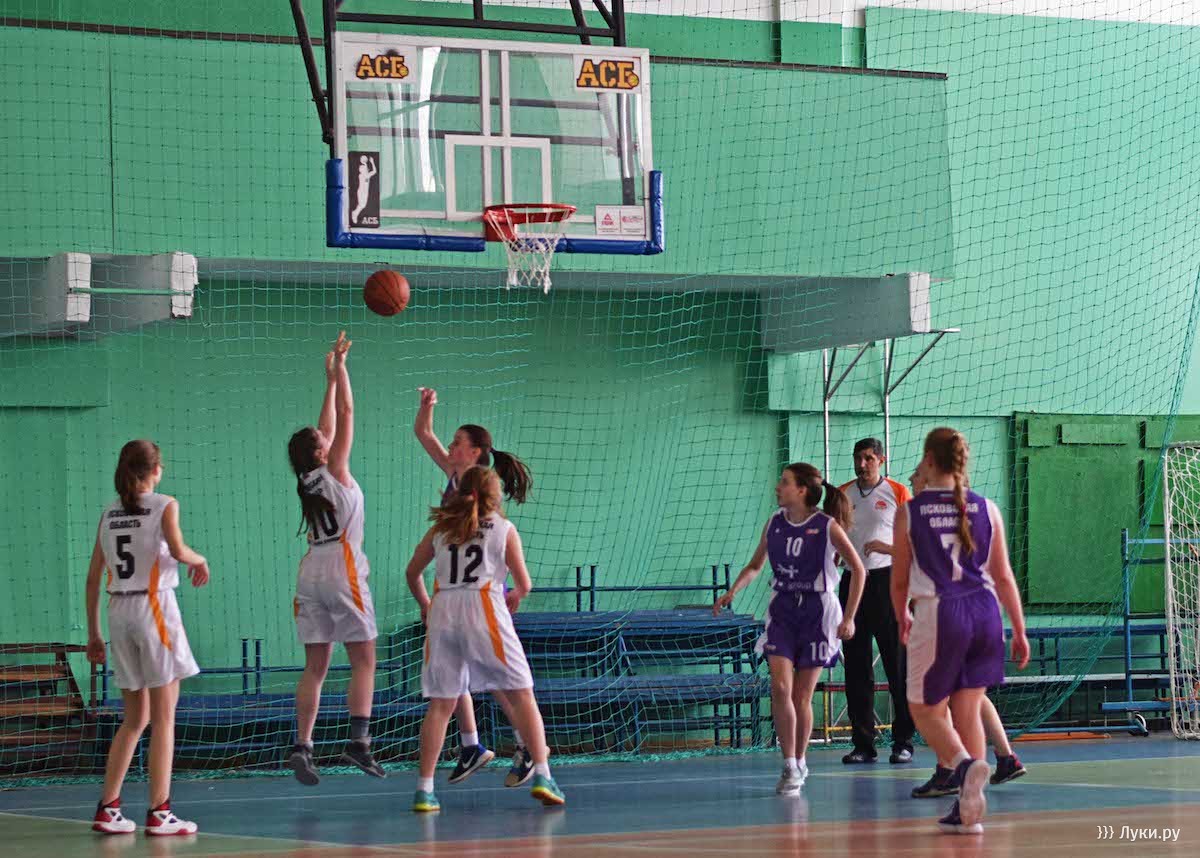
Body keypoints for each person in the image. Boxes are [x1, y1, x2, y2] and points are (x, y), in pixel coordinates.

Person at [891, 428, 1030, 834]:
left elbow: (898, 582)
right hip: (986, 613)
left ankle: (965, 765)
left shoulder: (911, 511)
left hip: (941, 612)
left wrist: (901, 615)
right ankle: (969, 807)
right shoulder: (988, 508)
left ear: (929, 460)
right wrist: (1019, 629)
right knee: (967, 710)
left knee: (924, 709)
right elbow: (1004, 576)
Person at [406, 466, 565, 812]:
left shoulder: (441, 528)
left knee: (441, 705)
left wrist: (425, 604)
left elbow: (412, 572)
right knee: (522, 694)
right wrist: (516, 595)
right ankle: (542, 773)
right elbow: (524, 584)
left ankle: (424, 790)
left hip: (443, 609)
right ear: (495, 496)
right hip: (483, 607)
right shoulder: (504, 529)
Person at [714, 464, 866, 795]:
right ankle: (789, 765)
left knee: (801, 696)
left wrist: (849, 617)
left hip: (818, 612)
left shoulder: (826, 526)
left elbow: (859, 569)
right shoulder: (775, 523)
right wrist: (733, 590)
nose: (777, 487)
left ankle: (800, 757)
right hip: (783, 609)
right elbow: (755, 565)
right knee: (780, 688)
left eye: (784, 482)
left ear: (801, 490)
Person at [86, 440, 210, 835]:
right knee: (164, 718)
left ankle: (108, 808)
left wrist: (93, 633)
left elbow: (93, 578)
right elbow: (179, 549)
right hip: (153, 608)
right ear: (156, 469)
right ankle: (160, 812)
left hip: (117, 612)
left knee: (135, 718)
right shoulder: (164, 504)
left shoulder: (109, 513)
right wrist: (200, 559)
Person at [414, 386, 535, 786]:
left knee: (496, 678)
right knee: (454, 673)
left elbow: (495, 540)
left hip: (481, 589)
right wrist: (427, 407)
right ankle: (471, 744)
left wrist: (516, 590)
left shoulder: (481, 485)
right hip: (452, 587)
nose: (450, 447)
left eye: (457, 442)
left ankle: (525, 745)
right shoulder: (456, 474)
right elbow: (424, 434)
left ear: (475, 451)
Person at [286, 333, 385, 785]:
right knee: (364, 659)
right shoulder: (337, 470)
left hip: (310, 570)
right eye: (322, 440)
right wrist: (343, 370)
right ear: (321, 452)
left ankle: (303, 745)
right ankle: (358, 743)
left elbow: (325, 424)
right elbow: (345, 414)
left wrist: (327, 381)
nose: (326, 437)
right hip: (342, 567)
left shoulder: (307, 479)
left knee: (316, 666)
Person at [836, 438, 917, 764]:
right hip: (852, 582)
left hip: (888, 582)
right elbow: (834, 534)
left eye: (869, 458)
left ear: (881, 460)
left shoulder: (898, 492)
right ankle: (863, 744)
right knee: (856, 669)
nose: (862, 464)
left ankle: (903, 741)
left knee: (897, 664)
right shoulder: (843, 494)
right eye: (858, 458)